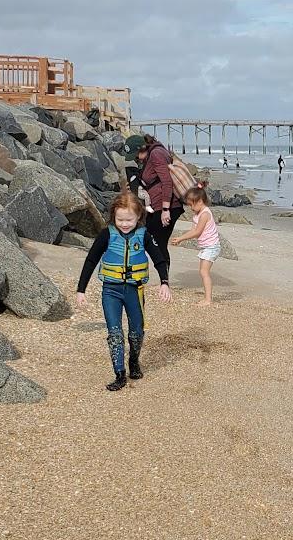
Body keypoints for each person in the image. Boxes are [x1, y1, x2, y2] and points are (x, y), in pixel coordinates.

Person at [76, 192, 171, 391]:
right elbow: (91, 260)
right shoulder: (107, 234)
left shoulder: (143, 235)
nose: (125, 224)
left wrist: (164, 282)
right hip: (111, 291)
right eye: (120, 219)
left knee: (136, 332)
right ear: (113, 217)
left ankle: (134, 361)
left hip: (134, 291)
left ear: (139, 217)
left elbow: (159, 259)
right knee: (115, 333)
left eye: (129, 219)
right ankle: (119, 374)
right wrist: (81, 290)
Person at [132, 133, 184, 271]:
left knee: (158, 243)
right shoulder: (157, 152)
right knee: (150, 239)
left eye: (136, 155)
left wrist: (166, 211)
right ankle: (161, 277)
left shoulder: (156, 154)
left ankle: (164, 280)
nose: (136, 159)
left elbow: (167, 182)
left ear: (142, 148)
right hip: (159, 206)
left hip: (167, 207)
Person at [171, 185, 221, 305]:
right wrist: (180, 239)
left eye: (191, 205)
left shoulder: (205, 214)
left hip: (212, 246)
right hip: (206, 247)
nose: (190, 208)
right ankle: (207, 297)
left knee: (204, 272)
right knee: (203, 271)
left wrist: (181, 238)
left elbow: (197, 232)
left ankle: (208, 299)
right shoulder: (196, 215)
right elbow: (192, 230)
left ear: (200, 201)